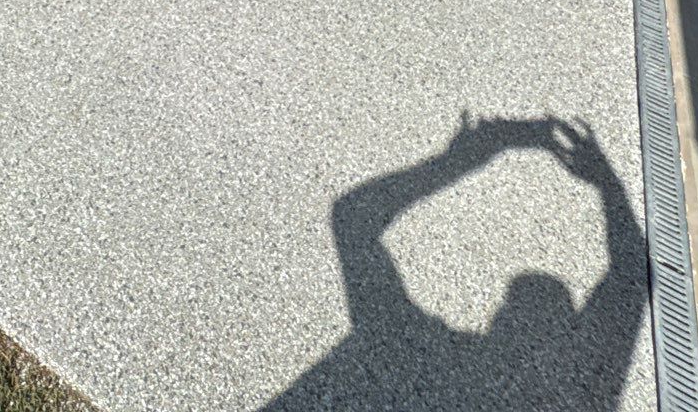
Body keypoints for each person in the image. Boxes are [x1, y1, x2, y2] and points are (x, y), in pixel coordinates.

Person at [262, 115, 647, 411]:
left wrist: (463, 159)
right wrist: (607, 184)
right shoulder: (580, 394)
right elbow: (630, 276)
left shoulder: (407, 345)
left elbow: (354, 217)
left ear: (498, 314)